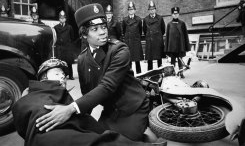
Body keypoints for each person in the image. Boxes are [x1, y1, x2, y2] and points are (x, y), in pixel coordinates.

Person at [34, 3, 153, 142]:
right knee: (92, 138)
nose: (102, 32)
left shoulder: (119, 50)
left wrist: (70, 109)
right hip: (110, 112)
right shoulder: (82, 59)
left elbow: (107, 86)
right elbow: (87, 94)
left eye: (103, 27)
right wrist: (77, 119)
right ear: (84, 34)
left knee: (118, 143)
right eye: (95, 29)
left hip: (132, 108)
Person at [12, 58, 167, 146]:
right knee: (97, 142)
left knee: (106, 137)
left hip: (59, 132)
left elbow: (81, 113)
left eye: (64, 75)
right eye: (57, 73)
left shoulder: (61, 93)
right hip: (47, 135)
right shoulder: (34, 94)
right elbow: (24, 111)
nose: (62, 77)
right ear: (43, 78)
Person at [164, 7, 190, 78]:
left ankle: (181, 73)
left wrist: (186, 46)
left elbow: (185, 35)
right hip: (172, 46)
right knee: (172, 61)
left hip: (180, 46)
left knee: (180, 60)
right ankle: (172, 73)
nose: (175, 15)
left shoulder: (182, 23)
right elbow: (168, 37)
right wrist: (167, 48)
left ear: (178, 14)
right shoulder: (169, 24)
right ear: (172, 14)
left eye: (177, 13)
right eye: (174, 14)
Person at [122, 1, 144, 74]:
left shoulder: (138, 19)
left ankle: (139, 74)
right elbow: (124, 30)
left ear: (135, 10)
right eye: (129, 10)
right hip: (128, 42)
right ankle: (130, 76)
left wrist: (137, 38)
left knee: (137, 60)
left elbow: (140, 31)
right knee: (129, 61)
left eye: (132, 9)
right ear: (128, 11)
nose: (131, 11)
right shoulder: (125, 20)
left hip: (136, 42)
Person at [143, 1, 165, 71]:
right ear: (148, 10)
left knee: (159, 58)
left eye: (153, 9)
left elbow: (163, 29)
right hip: (150, 40)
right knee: (150, 59)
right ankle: (150, 73)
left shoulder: (160, 18)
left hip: (158, 40)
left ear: (155, 9)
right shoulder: (145, 19)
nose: (152, 11)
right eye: (150, 9)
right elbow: (145, 30)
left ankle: (160, 72)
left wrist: (158, 36)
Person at [54, 10, 75, 80]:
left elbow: (72, 37)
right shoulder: (56, 27)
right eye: (61, 18)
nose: (62, 19)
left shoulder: (69, 27)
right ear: (59, 19)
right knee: (60, 63)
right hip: (60, 47)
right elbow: (55, 37)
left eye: (63, 18)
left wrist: (69, 45)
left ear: (65, 19)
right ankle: (62, 75)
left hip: (67, 47)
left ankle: (71, 75)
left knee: (69, 62)